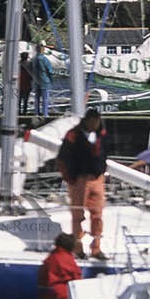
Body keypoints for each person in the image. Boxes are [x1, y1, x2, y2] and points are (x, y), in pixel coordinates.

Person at [57, 108, 108, 260]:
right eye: (93, 121)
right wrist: (69, 178)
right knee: (78, 215)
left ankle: (96, 248)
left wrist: (102, 170)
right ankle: (78, 248)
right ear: (87, 121)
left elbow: (105, 152)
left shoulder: (101, 134)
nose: (96, 124)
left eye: (97, 121)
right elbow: (62, 158)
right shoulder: (73, 135)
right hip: (79, 179)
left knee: (97, 214)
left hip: (97, 178)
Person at [37, 233, 83, 299]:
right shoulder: (65, 258)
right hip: (60, 294)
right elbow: (76, 277)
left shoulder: (52, 256)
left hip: (46, 294)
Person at [32, 45, 55, 117]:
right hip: (45, 80)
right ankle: (45, 113)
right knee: (45, 98)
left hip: (36, 80)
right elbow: (50, 70)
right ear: (42, 50)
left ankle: (36, 113)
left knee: (37, 98)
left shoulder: (33, 59)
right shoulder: (44, 59)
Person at [16, 50, 32, 115]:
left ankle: (18, 111)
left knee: (19, 99)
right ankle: (24, 112)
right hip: (27, 84)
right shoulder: (29, 64)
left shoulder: (18, 64)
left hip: (19, 84)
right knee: (26, 99)